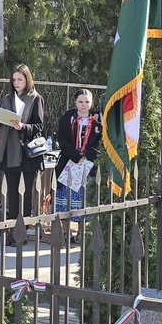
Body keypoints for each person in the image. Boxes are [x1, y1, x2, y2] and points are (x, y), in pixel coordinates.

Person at [0, 64, 44, 236]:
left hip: (27, 152)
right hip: (10, 151)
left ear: (27, 79)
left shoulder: (36, 98)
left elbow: (39, 126)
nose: (16, 83)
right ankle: (13, 229)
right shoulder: (7, 99)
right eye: (14, 80)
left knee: (27, 192)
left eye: (20, 79)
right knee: (12, 191)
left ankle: (25, 228)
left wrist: (22, 126)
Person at [54, 89, 102, 225]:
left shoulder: (97, 121)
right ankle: (65, 232)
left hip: (87, 163)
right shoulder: (67, 118)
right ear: (75, 102)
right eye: (80, 101)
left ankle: (81, 232)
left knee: (84, 200)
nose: (84, 105)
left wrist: (87, 155)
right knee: (64, 197)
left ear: (91, 103)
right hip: (69, 161)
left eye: (87, 101)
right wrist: (75, 156)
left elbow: (101, 142)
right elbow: (62, 139)